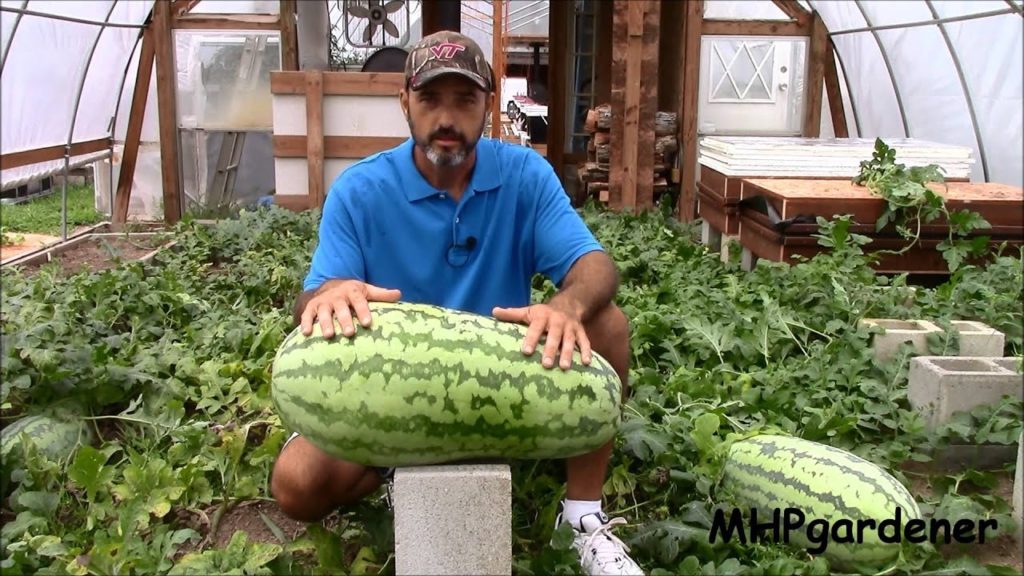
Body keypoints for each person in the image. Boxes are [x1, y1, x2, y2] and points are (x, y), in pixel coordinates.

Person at [270, 30, 643, 576]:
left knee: (605, 324)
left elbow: (595, 266)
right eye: (430, 100)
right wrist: (329, 293)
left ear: (488, 107)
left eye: (465, 100)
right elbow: (314, 293)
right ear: (405, 103)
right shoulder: (359, 190)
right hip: (387, 394)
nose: (447, 118)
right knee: (295, 485)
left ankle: (583, 516)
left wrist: (566, 305)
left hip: (502, 381)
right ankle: (394, 462)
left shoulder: (524, 176)